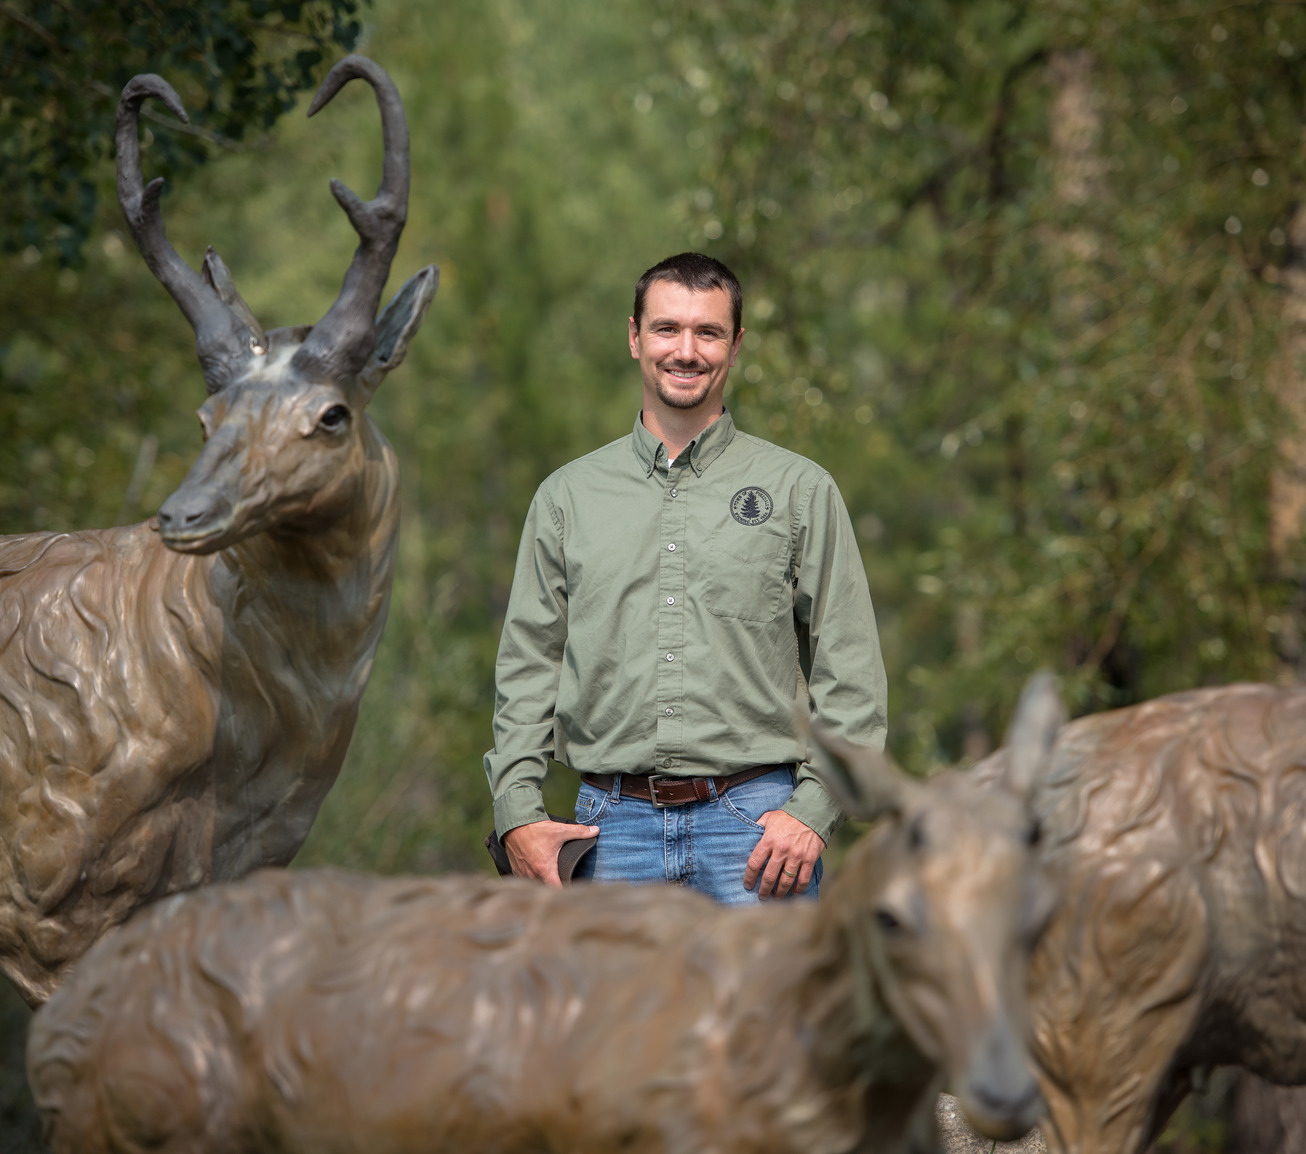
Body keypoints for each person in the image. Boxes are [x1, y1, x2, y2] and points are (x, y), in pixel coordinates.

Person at [484, 252, 887, 903]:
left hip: (757, 835)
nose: (687, 350)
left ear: (736, 345)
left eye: (709, 332)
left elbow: (851, 674)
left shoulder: (799, 491)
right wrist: (519, 815)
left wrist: (814, 810)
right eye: (668, 328)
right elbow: (528, 665)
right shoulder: (567, 498)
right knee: (614, 1013)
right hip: (608, 834)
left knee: (771, 1010)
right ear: (635, 337)